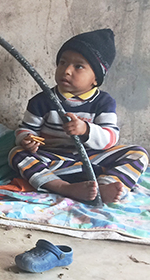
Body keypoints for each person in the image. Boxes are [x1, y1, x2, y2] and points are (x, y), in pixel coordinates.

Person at [9, 29, 148, 204]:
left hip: (91, 159)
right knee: (16, 154)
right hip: (52, 159)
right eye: (62, 62)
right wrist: (26, 139)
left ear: (95, 79)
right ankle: (63, 187)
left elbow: (110, 138)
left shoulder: (104, 102)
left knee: (138, 154)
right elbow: (26, 129)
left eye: (78, 66)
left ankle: (103, 187)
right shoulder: (41, 101)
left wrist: (86, 130)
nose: (66, 70)